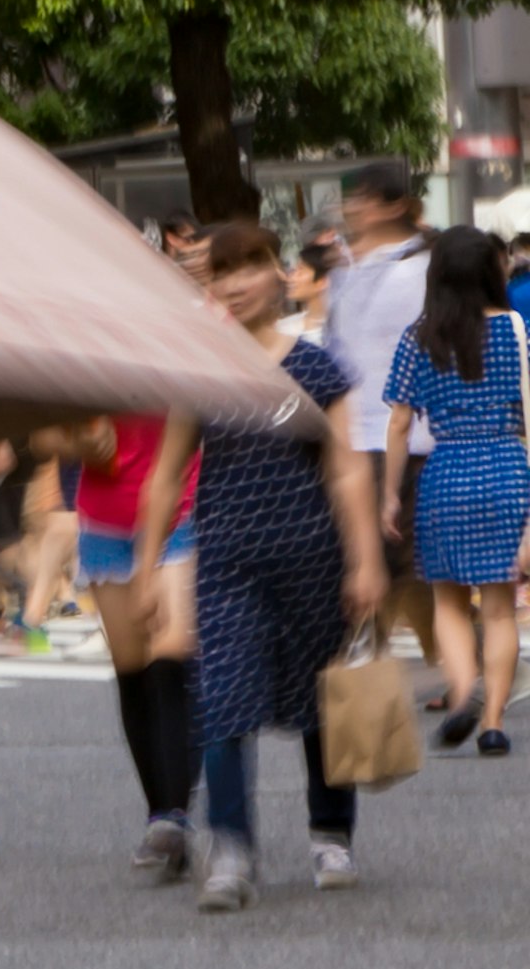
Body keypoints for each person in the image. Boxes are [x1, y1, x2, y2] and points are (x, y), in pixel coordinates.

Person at [144, 221, 388, 909]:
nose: (237, 281)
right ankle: (231, 848)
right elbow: (166, 478)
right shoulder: (203, 371)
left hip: (312, 557)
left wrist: (364, 559)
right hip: (224, 562)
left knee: (321, 706)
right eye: (223, 272)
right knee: (222, 702)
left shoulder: (316, 368)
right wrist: (145, 568)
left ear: (279, 272)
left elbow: (345, 472)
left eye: (250, 266)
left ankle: (330, 832)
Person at [381, 226, 530, 754]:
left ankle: (464, 688)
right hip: (508, 470)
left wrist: (391, 496)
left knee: (447, 602)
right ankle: (492, 722)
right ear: (492, 272)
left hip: (445, 473)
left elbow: (399, 423)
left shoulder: (418, 337)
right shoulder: (516, 331)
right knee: (498, 607)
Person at [56, 411, 201, 877]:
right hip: (105, 519)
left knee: (171, 656)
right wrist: (75, 443)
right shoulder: (78, 345)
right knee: (133, 671)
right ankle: (160, 815)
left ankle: (175, 816)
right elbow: (40, 434)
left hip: (180, 506)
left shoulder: (180, 340)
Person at [319, 157, 440, 679]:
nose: (353, 208)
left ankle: (462, 663)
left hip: (409, 436)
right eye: (350, 199)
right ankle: (382, 667)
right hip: (353, 434)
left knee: (405, 563)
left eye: (364, 198)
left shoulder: (423, 266)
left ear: (394, 204)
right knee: (378, 562)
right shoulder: (343, 271)